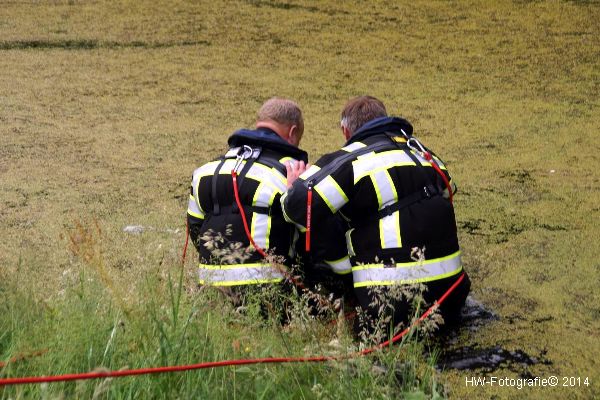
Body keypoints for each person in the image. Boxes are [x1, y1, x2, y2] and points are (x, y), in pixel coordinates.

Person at [281, 95, 471, 339]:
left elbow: (297, 208)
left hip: (389, 305)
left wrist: (293, 185)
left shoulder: (349, 161)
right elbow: (448, 190)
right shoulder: (425, 155)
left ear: (345, 130)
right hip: (453, 296)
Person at [186, 97, 308, 316]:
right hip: (269, 293)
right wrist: (297, 192)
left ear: (260, 122)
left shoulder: (203, 172)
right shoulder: (291, 175)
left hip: (212, 291)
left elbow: (195, 229)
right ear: (292, 132)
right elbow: (310, 238)